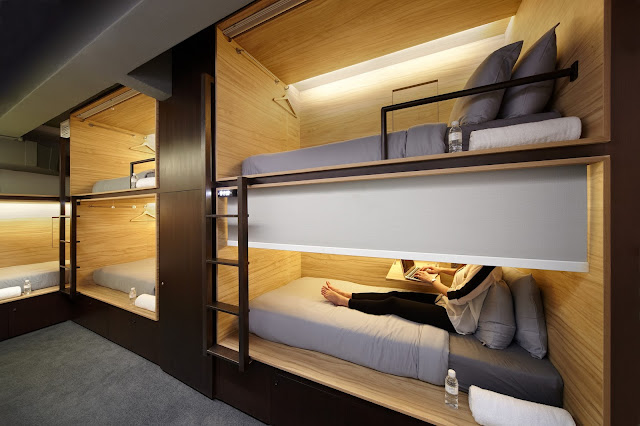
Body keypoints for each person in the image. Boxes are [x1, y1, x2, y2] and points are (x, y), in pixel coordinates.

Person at [321, 264, 502, 334]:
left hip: (456, 318)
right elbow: (466, 273)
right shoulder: (481, 260)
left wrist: (431, 280)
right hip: (447, 304)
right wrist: (440, 271)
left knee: (393, 304)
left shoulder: (489, 266)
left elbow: (458, 296)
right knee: (395, 294)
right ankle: (350, 295)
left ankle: (345, 302)